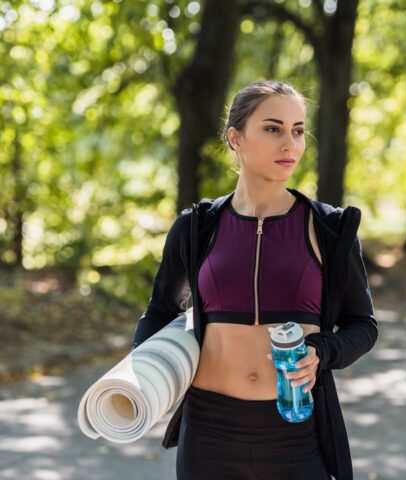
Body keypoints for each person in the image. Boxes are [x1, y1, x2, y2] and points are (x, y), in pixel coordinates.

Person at [131, 80, 378, 480]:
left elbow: (362, 325)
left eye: (298, 130)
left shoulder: (328, 228)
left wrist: (321, 351)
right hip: (208, 432)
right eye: (272, 128)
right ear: (236, 138)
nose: (290, 144)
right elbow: (160, 311)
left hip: (295, 432)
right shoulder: (196, 228)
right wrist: (143, 370)